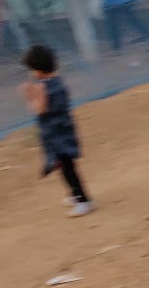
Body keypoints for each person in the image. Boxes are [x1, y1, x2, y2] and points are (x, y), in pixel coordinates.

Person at [19, 45, 93, 218]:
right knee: (66, 167)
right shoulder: (59, 82)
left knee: (67, 169)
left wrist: (30, 95)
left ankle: (84, 201)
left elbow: (39, 109)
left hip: (57, 136)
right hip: (65, 130)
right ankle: (76, 195)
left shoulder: (42, 88)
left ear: (37, 70)